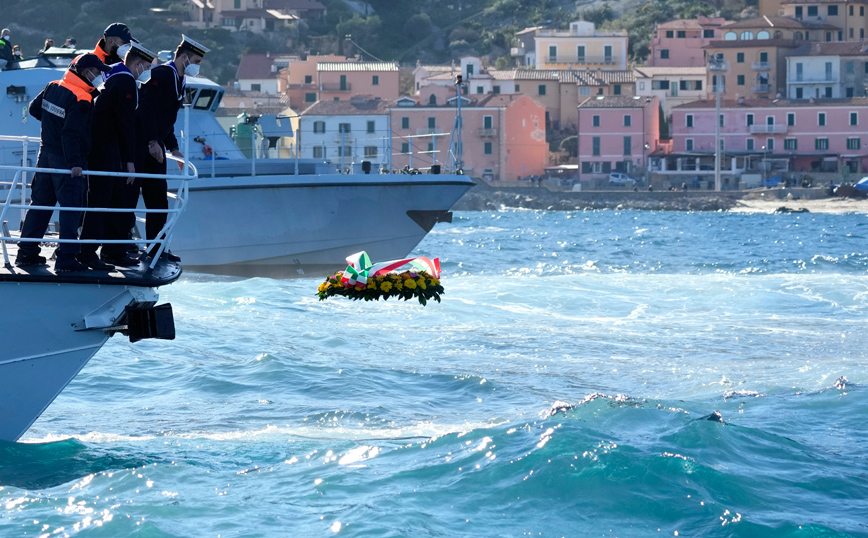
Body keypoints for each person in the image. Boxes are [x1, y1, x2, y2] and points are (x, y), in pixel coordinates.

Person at [16, 54, 111, 271]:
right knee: (71, 208)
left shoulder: (53, 86)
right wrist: (74, 162)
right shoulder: (82, 98)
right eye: (97, 72)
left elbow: (33, 108)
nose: (100, 76)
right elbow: (70, 133)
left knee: (40, 205)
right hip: (67, 161)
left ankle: (26, 253)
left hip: (45, 154)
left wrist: (53, 127)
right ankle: (66, 259)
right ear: (86, 72)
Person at [80, 42, 156, 269]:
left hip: (104, 148)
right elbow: (126, 124)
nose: (148, 71)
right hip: (107, 151)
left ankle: (113, 251)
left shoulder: (113, 76)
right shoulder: (125, 82)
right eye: (148, 66)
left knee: (113, 201)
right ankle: (89, 252)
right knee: (102, 201)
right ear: (138, 64)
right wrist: (130, 162)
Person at [137, 34, 209, 261]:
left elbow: (166, 118)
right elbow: (146, 110)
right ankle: (126, 248)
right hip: (142, 146)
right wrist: (151, 141)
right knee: (129, 197)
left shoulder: (180, 80)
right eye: (196, 62)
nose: (197, 67)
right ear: (185, 57)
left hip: (157, 147)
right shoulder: (161, 75)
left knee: (158, 200)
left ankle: (156, 249)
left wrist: (174, 148)